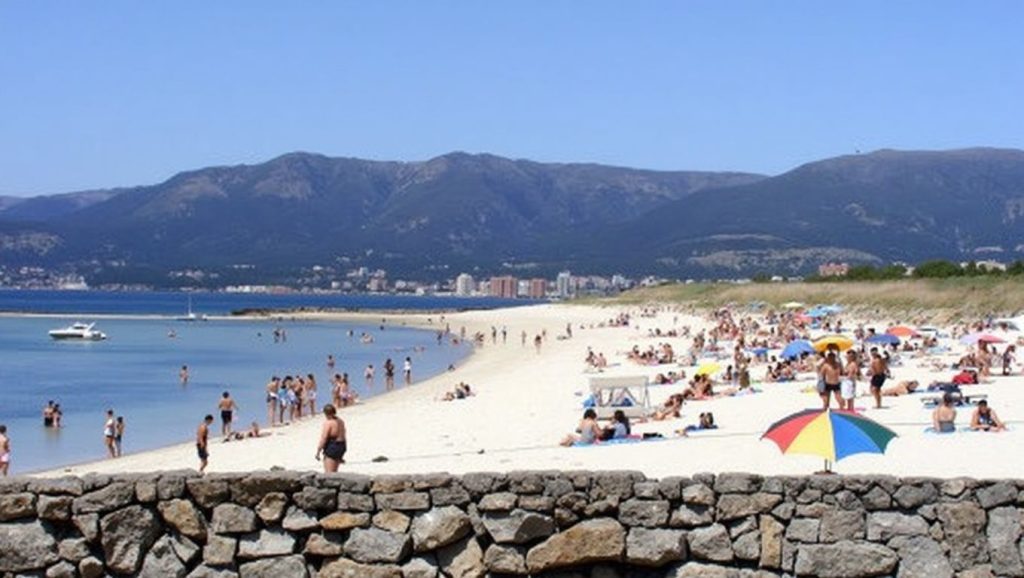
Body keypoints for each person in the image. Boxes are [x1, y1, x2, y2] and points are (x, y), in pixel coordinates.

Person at [315, 404, 347, 472]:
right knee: (335, 472)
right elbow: (344, 433)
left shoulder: (329, 423)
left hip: (333, 446)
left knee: (329, 474)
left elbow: (324, 438)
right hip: (342, 445)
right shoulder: (340, 421)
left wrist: (318, 451)